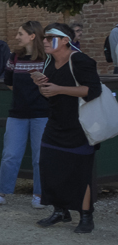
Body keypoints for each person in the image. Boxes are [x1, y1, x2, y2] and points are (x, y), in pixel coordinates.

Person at [33, 24, 103, 233]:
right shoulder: (49, 63)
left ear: (65, 40)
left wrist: (58, 89)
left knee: (80, 172)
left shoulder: (80, 60)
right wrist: (40, 85)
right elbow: (48, 93)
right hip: (56, 123)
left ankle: (86, 216)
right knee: (49, 166)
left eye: (50, 37)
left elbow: (93, 90)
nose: (44, 41)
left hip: (80, 126)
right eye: (44, 38)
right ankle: (60, 211)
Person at [0, 22, 50, 209]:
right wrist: (24, 95)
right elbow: (8, 81)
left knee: (40, 156)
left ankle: (39, 194)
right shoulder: (15, 57)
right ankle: (2, 192)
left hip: (42, 114)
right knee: (10, 155)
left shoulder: (48, 59)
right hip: (17, 114)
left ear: (32, 36)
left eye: (20, 33)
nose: (16, 37)